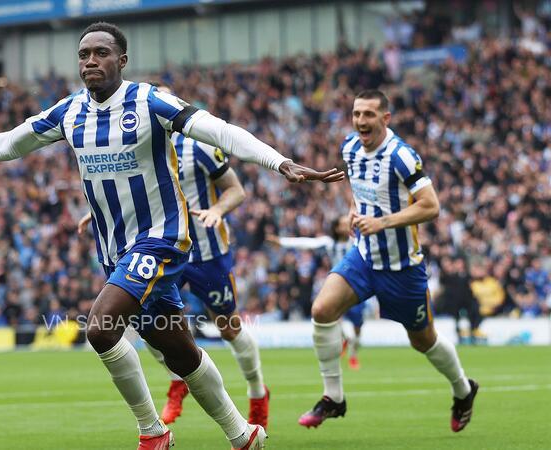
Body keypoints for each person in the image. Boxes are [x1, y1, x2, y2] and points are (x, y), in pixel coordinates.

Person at [0, 22, 343, 450]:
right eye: (83, 54)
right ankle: (242, 435)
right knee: (180, 352)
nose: (90, 61)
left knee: (100, 329)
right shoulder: (69, 112)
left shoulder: (150, 102)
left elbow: (220, 130)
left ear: (122, 60)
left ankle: (152, 431)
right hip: (115, 251)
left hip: (161, 239)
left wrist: (280, 162)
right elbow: (11, 143)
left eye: (101, 53)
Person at [77, 89, 270, 427]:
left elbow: (236, 190)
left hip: (206, 252)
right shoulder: (133, 145)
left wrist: (217, 210)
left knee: (228, 326)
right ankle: (177, 379)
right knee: (147, 320)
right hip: (158, 247)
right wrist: (98, 212)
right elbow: (124, 191)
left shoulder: (200, 146)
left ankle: (257, 392)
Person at [297, 90, 478, 433]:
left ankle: (463, 389)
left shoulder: (401, 156)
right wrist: (353, 211)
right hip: (364, 256)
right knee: (322, 310)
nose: (361, 121)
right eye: (356, 114)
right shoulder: (350, 147)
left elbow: (431, 206)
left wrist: (383, 222)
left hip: (401, 267)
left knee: (423, 340)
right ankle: (333, 397)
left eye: (368, 114)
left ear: (385, 118)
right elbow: (359, 189)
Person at [267, 216, 367, 370]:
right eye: (341, 224)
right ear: (336, 228)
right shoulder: (329, 243)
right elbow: (306, 242)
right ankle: (344, 339)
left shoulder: (356, 242)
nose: (345, 226)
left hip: (356, 287)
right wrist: (281, 241)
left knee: (358, 327)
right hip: (338, 287)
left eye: (346, 224)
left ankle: (353, 353)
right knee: (331, 315)